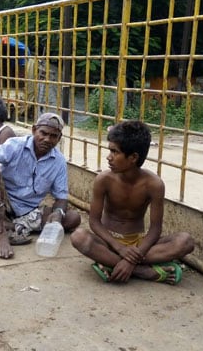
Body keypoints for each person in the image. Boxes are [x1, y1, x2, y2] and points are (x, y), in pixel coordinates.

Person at [70, 120, 194, 284]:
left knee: (185, 242)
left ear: (133, 157)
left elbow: (155, 229)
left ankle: (111, 264)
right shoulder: (104, 180)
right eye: (110, 151)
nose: (109, 157)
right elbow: (94, 222)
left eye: (115, 152)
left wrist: (131, 257)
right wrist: (119, 248)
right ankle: (144, 272)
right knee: (79, 237)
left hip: (139, 244)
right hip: (109, 242)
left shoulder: (154, 184)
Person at [0, 112, 81, 259]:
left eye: (53, 136)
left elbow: (61, 197)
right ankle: (2, 234)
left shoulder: (59, 161)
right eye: (43, 133)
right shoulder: (15, 145)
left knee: (72, 218)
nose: (47, 139)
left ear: (59, 138)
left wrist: (58, 214)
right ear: (34, 130)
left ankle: (13, 227)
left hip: (27, 211)